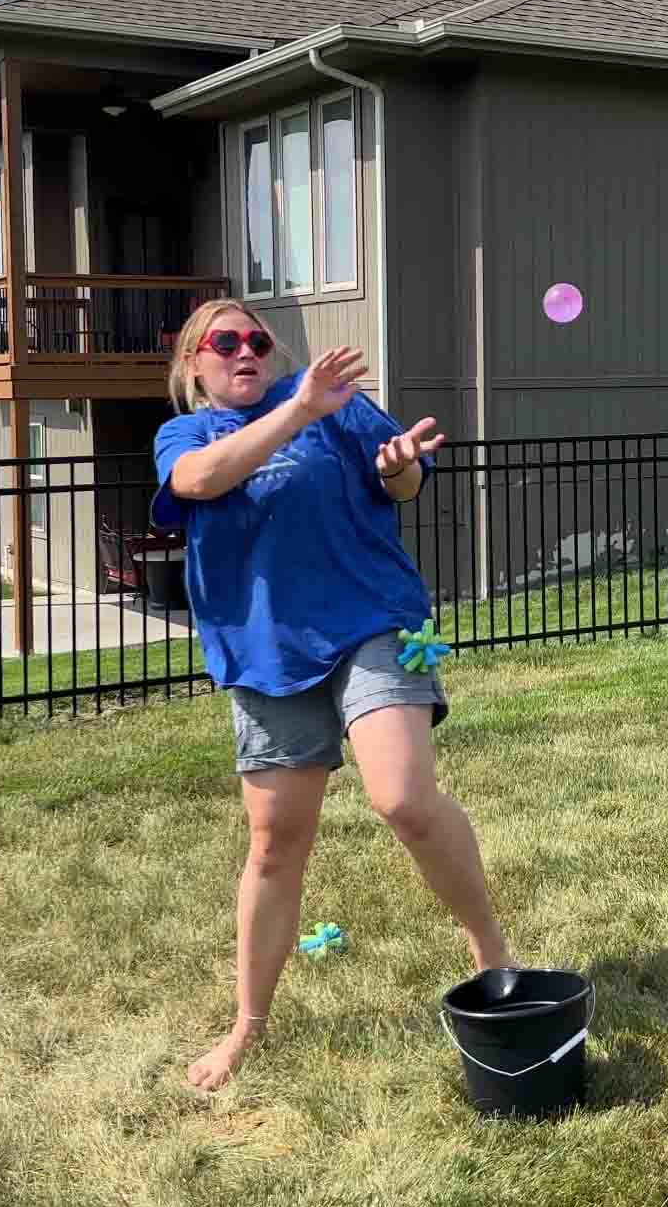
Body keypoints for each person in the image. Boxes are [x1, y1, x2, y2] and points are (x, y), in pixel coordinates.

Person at [152, 299, 510, 1092]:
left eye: (257, 339)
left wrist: (398, 465)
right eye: (225, 340)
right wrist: (298, 409)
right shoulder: (188, 434)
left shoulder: (328, 399)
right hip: (266, 649)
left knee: (404, 798)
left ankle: (492, 954)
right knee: (276, 841)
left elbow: (404, 478)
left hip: (372, 620)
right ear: (194, 364)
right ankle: (248, 1022)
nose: (245, 349)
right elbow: (199, 481)